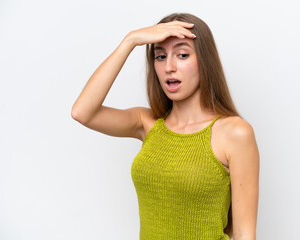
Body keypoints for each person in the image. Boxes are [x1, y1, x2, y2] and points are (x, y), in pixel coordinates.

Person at [71, 12, 259, 240]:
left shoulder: (234, 133)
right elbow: (82, 112)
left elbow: (244, 234)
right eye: (160, 57)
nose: (169, 66)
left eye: (182, 54)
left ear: (205, 62)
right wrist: (130, 40)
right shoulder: (147, 124)